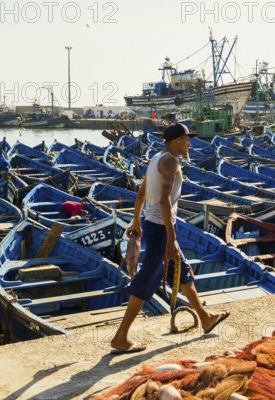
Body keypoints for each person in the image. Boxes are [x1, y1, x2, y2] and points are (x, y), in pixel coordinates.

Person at [110, 123, 230, 354]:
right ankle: (120, 337)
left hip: (153, 223)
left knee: (181, 272)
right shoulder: (171, 162)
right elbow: (164, 200)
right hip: (161, 228)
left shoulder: (156, 158)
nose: (189, 144)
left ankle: (205, 318)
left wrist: (136, 220)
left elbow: (142, 191)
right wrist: (172, 238)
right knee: (146, 281)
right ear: (176, 140)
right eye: (186, 139)